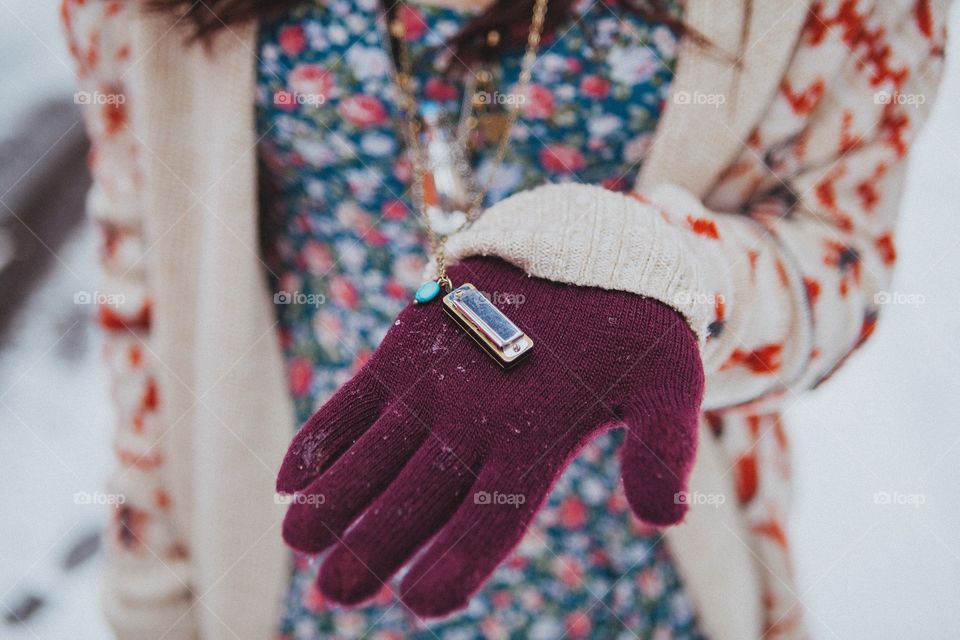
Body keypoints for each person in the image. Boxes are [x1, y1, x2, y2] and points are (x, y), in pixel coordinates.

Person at [61, 0, 949, 638]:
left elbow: (842, 254)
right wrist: (155, 573)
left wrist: (664, 274)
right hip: (314, 527)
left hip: (636, 568)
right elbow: (146, 266)